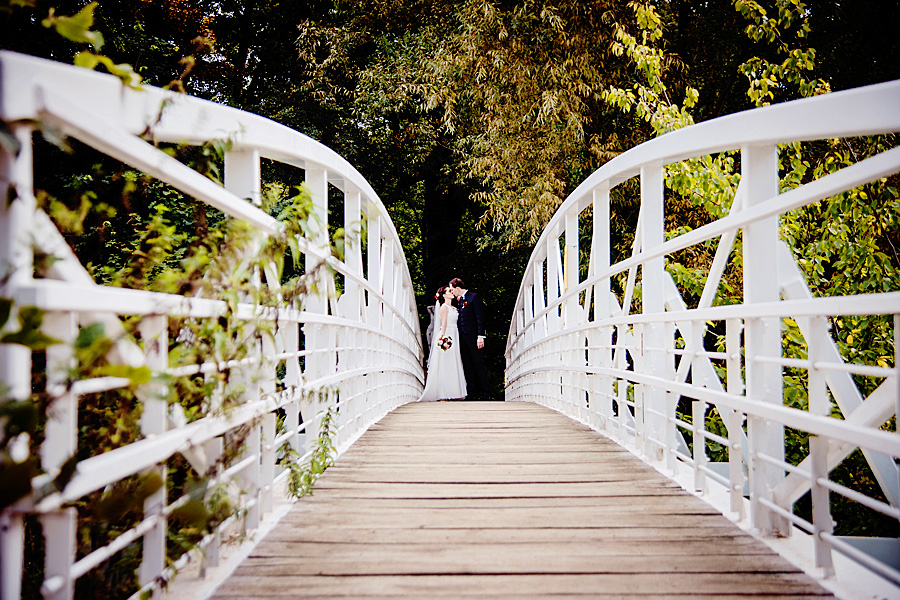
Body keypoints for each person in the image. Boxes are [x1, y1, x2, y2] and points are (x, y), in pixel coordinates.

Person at [418, 286, 467, 401]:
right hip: (448, 334)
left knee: (453, 361)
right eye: (449, 291)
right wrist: (442, 338)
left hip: (455, 334)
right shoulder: (444, 308)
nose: (452, 292)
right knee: (446, 362)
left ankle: (455, 392)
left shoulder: (454, 308)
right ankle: (444, 393)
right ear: (444, 295)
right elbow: (443, 323)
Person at [449, 277, 491, 401]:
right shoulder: (460, 301)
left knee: (478, 363)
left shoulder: (474, 297)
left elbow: (480, 318)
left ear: (457, 288)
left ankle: (486, 392)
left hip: (474, 337)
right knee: (467, 364)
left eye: (452, 289)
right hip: (462, 338)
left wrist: (480, 336)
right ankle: (471, 392)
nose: (451, 292)